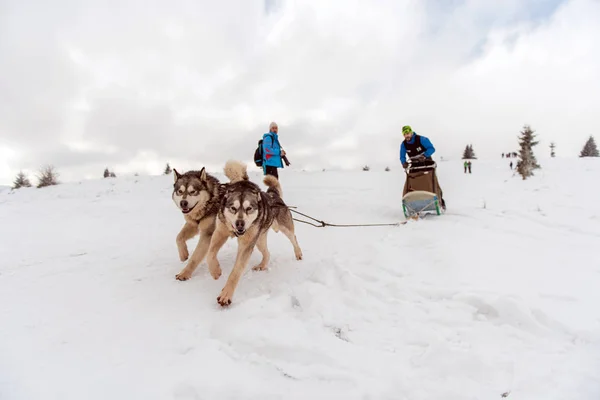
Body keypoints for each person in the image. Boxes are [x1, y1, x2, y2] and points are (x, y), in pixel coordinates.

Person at [399, 125, 446, 209]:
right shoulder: (404, 144)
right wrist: (403, 163)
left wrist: (424, 155)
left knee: (431, 182)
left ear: (411, 132)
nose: (407, 135)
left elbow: (431, 148)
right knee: (414, 184)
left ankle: (440, 201)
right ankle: (415, 203)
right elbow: (402, 156)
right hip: (414, 166)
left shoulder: (421, 139)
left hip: (426, 163)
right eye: (405, 134)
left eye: (408, 133)